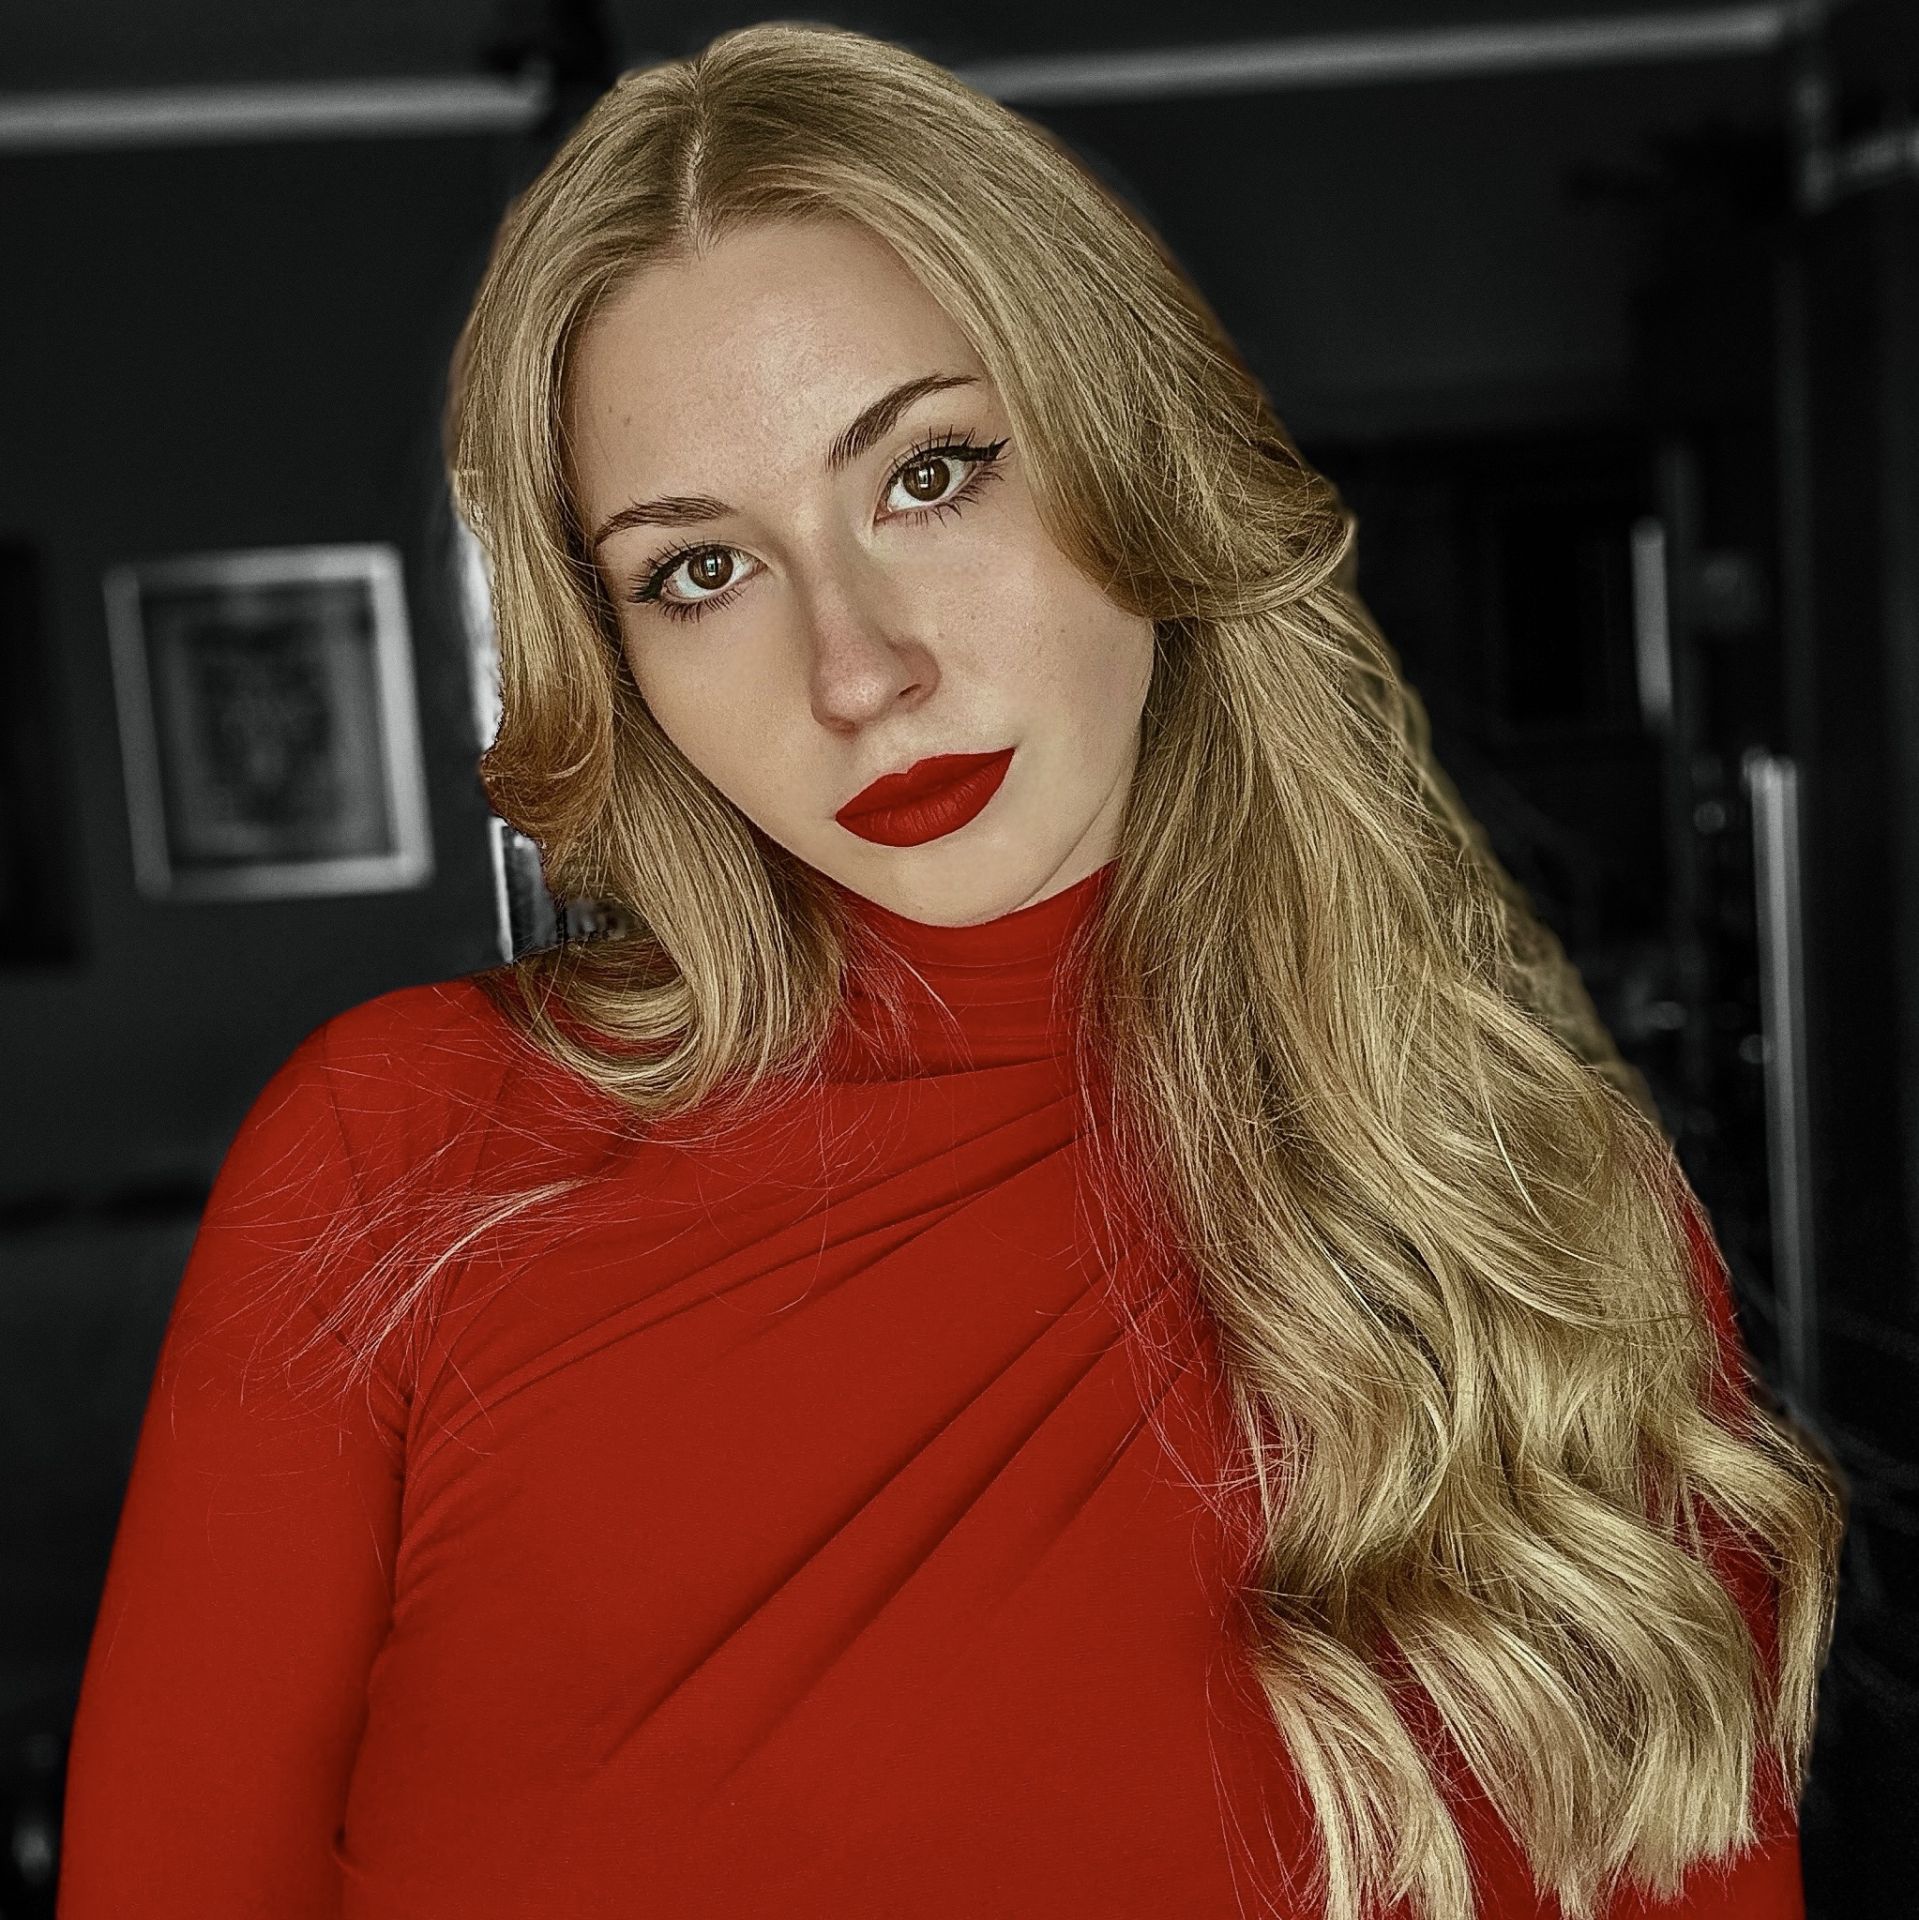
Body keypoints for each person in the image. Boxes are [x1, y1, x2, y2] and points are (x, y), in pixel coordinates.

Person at [57, 22, 1843, 1920]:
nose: (857, 669)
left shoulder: (1523, 1216)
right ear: (617, 654)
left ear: (1135, 457)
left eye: (932, 473)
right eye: (699, 570)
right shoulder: (398, 1160)